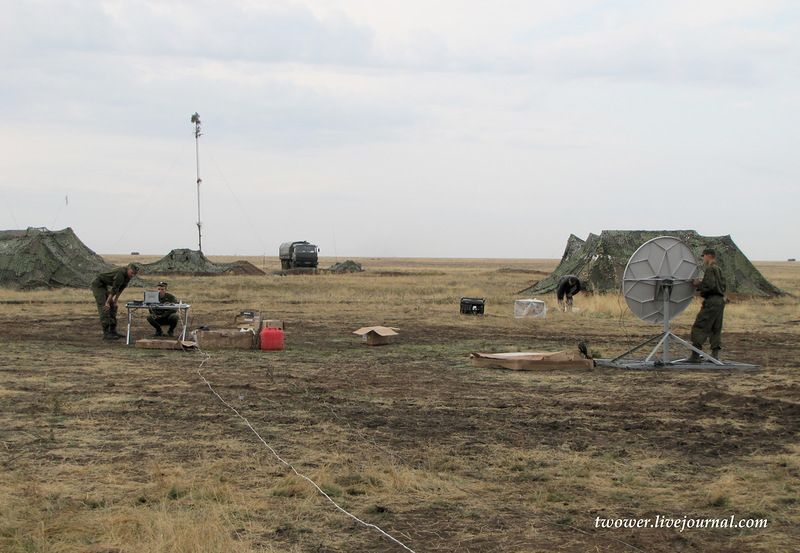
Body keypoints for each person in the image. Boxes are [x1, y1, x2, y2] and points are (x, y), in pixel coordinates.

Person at [688, 248, 726, 362]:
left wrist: (698, 284)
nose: (703, 258)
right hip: (720, 301)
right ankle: (715, 355)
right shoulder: (718, 269)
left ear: (709, 256)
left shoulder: (710, 269)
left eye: (703, 256)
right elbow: (723, 285)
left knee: (699, 326)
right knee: (715, 328)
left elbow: (709, 285)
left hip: (712, 301)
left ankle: (695, 355)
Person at [91, 263, 139, 340]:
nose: (133, 275)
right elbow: (114, 289)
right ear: (128, 269)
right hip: (98, 285)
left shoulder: (128, 276)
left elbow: (120, 289)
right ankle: (106, 333)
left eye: (135, 274)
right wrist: (107, 302)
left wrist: (115, 301)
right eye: (132, 273)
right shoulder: (121, 273)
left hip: (105, 285)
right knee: (105, 307)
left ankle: (113, 331)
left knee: (113, 307)